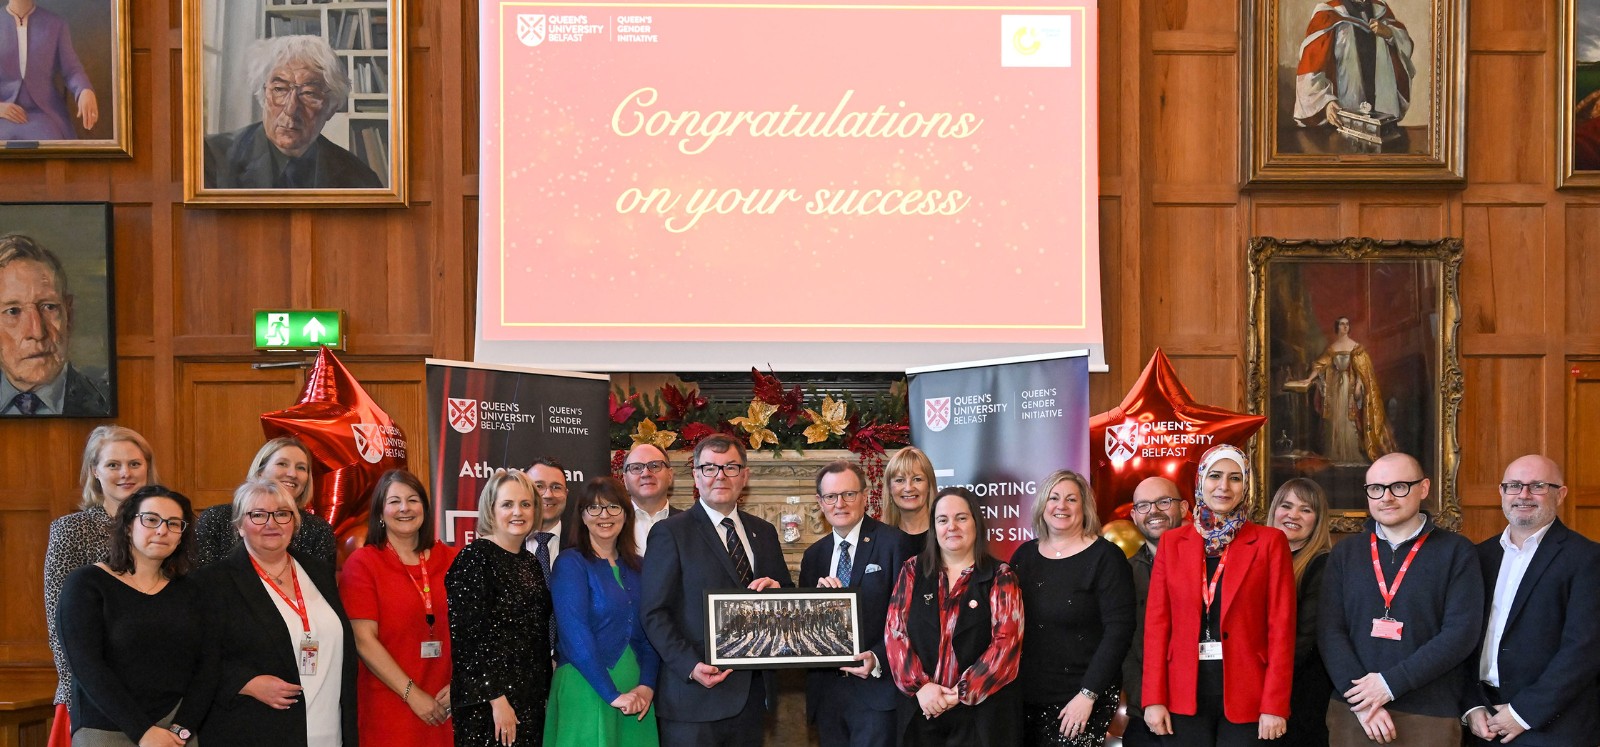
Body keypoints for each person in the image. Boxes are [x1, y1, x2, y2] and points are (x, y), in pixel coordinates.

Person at [1318, 452, 1482, 746]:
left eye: (1399, 486)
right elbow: (1330, 631)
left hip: (1428, 713)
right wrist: (1363, 699)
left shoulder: (1457, 552)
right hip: (1354, 711)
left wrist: (1390, 684)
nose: (1386, 497)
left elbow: (1460, 634)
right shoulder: (1345, 553)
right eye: (1376, 489)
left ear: (1424, 488)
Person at [640, 433, 793, 746]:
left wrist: (779, 591)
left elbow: (787, 596)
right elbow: (654, 612)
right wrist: (690, 666)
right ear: (696, 475)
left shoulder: (763, 532)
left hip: (751, 698)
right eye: (710, 468)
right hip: (693, 699)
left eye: (731, 467)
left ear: (745, 476)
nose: (720, 476)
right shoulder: (670, 532)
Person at [1142, 445, 1295, 745]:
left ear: (1246, 486)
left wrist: (1275, 705)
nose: (1224, 486)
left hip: (1249, 695)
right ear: (1200, 481)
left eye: (1235, 478)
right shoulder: (1172, 543)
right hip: (1182, 695)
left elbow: (1282, 628)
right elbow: (1157, 627)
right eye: (1215, 476)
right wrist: (1153, 698)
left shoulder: (1269, 542)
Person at [193, 478, 357, 746]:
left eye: (282, 514)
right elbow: (194, 656)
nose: (271, 523)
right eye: (258, 515)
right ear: (239, 526)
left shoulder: (319, 572)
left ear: (294, 522)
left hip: (329, 729)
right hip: (255, 729)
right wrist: (245, 683)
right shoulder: (212, 582)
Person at [57, 485, 211, 746]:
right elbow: (86, 666)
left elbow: (208, 667)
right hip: (107, 727)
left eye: (174, 524)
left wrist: (182, 730)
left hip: (176, 731)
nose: (162, 530)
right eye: (151, 520)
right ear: (128, 525)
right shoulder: (87, 583)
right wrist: (142, 731)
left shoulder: (192, 591)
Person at [1462, 455, 1600, 745]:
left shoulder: (1587, 559)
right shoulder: (1478, 557)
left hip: (1552, 725)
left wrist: (1524, 712)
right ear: (1501, 492)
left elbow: (1585, 649)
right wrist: (1471, 705)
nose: (1523, 495)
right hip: (1482, 722)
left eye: (1537, 486)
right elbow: (1460, 636)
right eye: (1513, 486)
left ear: (1560, 494)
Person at [886, 486, 1024, 746]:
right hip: (922, 711)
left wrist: (960, 693)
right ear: (933, 527)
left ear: (975, 522)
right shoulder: (913, 570)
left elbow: (1007, 645)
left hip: (980, 718)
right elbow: (895, 631)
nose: (952, 526)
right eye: (942, 520)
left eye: (961, 518)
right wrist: (922, 688)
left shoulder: (1000, 576)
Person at [44, 425, 158, 737]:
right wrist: (76, 694)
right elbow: (59, 626)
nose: (126, 473)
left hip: (163, 691)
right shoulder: (71, 530)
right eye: (113, 465)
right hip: (91, 695)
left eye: (135, 464)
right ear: (95, 471)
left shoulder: (170, 527)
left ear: (148, 468)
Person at [1010, 471, 1133, 747]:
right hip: (1024, 698)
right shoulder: (1023, 556)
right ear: (1043, 506)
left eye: (1071, 499)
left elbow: (1119, 631)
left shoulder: (1106, 558)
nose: (1061, 506)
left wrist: (1087, 695)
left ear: (1084, 507)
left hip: (1080, 701)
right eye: (1054, 498)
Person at [341, 469, 458, 747]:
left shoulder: (454, 559)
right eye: (394, 501)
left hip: (448, 704)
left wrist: (462, 684)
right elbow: (363, 640)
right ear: (380, 512)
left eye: (413, 499)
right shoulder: (363, 564)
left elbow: (476, 630)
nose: (404, 508)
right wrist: (412, 694)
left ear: (425, 509)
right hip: (390, 705)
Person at [798, 460, 911, 747]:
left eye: (849, 494)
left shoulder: (893, 543)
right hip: (827, 695)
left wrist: (876, 658)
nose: (840, 503)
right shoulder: (814, 556)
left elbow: (910, 617)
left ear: (864, 496)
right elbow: (803, 626)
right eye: (831, 497)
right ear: (820, 502)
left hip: (876, 691)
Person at [545, 476, 660, 746]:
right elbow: (574, 635)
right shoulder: (570, 563)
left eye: (613, 507)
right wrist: (612, 694)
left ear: (625, 514)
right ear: (583, 517)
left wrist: (647, 684)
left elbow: (652, 630)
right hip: (586, 686)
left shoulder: (640, 567)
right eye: (594, 508)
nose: (604, 515)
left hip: (636, 693)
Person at [446, 469, 552, 747]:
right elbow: (469, 641)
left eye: (526, 504)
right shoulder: (475, 558)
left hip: (530, 699)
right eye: (507, 504)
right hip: (489, 707)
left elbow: (536, 632)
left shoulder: (530, 562)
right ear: (491, 510)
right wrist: (497, 700)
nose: (518, 512)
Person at [203, 35, 381, 189]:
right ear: (263, 94)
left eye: (309, 93)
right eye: (280, 89)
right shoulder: (211, 157)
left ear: (331, 108)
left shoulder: (360, 179)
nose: (291, 109)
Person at [0, 234, 111, 415]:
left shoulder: (103, 402)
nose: (37, 332)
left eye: (49, 307)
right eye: (13, 311)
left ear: (69, 314)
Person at [194, 437, 336, 567]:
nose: (292, 474)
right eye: (282, 464)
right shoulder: (216, 518)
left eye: (301, 468)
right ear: (260, 472)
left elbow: (322, 588)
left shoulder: (319, 530)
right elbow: (200, 583)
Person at [1265, 478, 1334, 747]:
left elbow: (1304, 639)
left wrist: (1267, 683)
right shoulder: (1256, 557)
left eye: (1306, 509)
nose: (1293, 515)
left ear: (1317, 520)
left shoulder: (1323, 564)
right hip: (1259, 690)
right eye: (1287, 505)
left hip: (1299, 693)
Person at [1121, 476, 1188, 747]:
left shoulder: (1210, 563)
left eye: (1163, 502)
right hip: (1145, 713)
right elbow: (1124, 644)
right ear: (1134, 516)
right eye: (1144, 506)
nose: (1154, 512)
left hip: (1199, 710)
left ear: (1183, 508)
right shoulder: (1124, 573)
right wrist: (1147, 702)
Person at [1286, 316, 1396, 466]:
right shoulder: (1332, 348)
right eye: (1342, 324)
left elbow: (1363, 373)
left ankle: (1351, 454)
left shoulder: (1357, 348)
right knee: (1336, 420)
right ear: (1337, 327)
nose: (1345, 327)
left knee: (1349, 421)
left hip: (1349, 389)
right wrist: (1309, 379)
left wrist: (1358, 385)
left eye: (1347, 324)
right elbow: (1320, 366)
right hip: (1336, 389)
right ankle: (1336, 454)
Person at [1292, 0, 1415, 127]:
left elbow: (1406, 46)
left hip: (1382, 115)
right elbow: (1311, 67)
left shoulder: (1380, 9)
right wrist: (1326, 102)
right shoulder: (1328, 14)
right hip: (1343, 117)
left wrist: (1390, 33)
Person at [0, 0, 98, 141]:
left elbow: (72, 70)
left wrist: (84, 90)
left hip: (45, 114)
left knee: (50, 143)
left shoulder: (56, 24)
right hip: (3, 113)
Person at [621, 443, 679, 553]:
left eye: (655, 466)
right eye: (636, 468)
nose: (646, 473)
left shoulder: (690, 526)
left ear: (670, 475)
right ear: (625, 480)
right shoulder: (611, 525)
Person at [882, 446, 937, 555]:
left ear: (929, 485)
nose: (908, 488)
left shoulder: (945, 535)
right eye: (900, 480)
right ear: (889, 488)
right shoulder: (880, 539)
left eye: (917, 479)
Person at [527, 456, 570, 578]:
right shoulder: (505, 544)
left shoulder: (583, 543)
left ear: (566, 494)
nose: (548, 495)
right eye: (539, 486)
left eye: (556, 487)